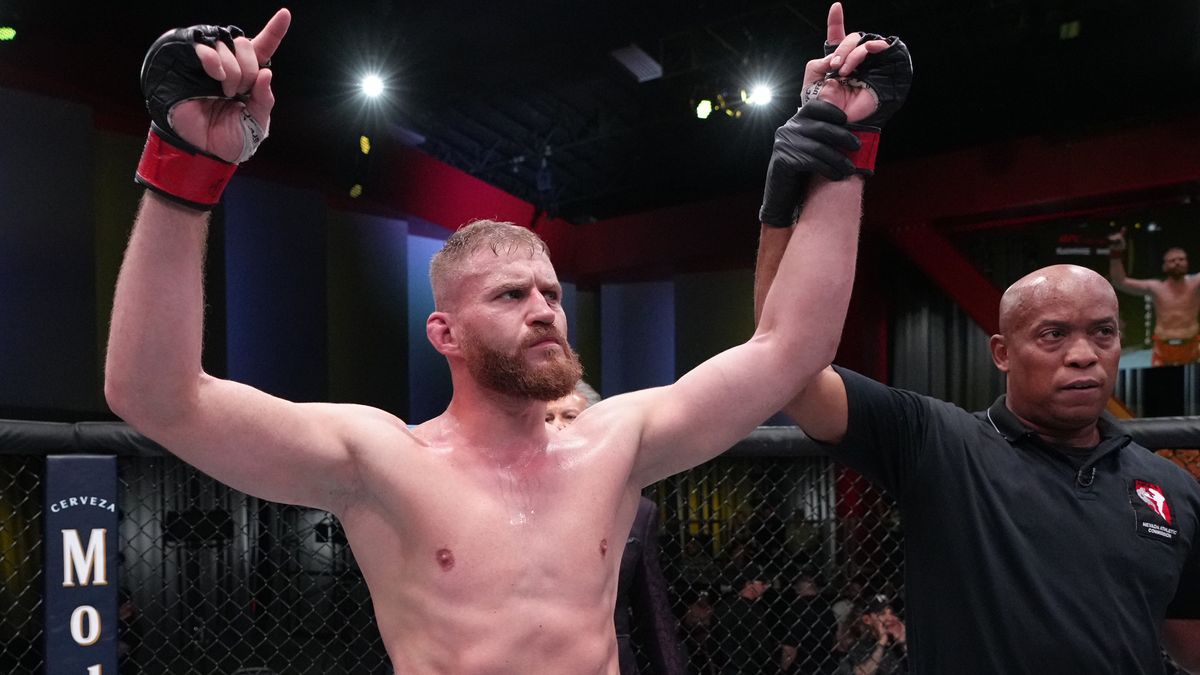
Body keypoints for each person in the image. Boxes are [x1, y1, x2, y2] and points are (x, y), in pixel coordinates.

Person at [104, 5, 907, 670]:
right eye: (512, 293)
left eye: (552, 292)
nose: (544, 309)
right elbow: (156, 394)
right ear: (443, 332)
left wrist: (847, 151)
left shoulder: (616, 444)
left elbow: (789, 349)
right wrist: (185, 168)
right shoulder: (381, 462)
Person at [755, 258, 1200, 666]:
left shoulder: (1171, 487)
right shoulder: (942, 443)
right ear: (1003, 353)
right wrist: (783, 211)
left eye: (1103, 332)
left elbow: (1191, 646)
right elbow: (789, 367)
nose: (1084, 354)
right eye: (1054, 334)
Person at [546, 383, 687, 674]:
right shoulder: (511, 503)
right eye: (547, 418)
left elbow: (653, 611)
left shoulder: (637, 510)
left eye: (569, 416)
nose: (557, 426)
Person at [1108, 228, 1200, 365]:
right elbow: (1119, 281)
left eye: (1181, 259)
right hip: (1163, 349)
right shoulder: (1156, 287)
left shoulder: (1196, 283)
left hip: (1191, 346)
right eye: (1172, 260)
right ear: (1164, 266)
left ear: (1187, 263)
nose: (1177, 262)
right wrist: (1116, 253)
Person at [713, 564, 789, 674]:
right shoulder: (754, 610)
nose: (765, 587)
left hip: (726, 667)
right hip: (750, 669)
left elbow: (713, 641)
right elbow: (761, 645)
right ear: (748, 584)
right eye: (762, 583)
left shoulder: (722, 607)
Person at [833, 595, 905, 675]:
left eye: (892, 613)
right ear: (867, 620)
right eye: (882, 613)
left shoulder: (899, 641)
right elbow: (862, 673)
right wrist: (881, 644)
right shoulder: (861, 647)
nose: (890, 618)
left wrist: (903, 640)